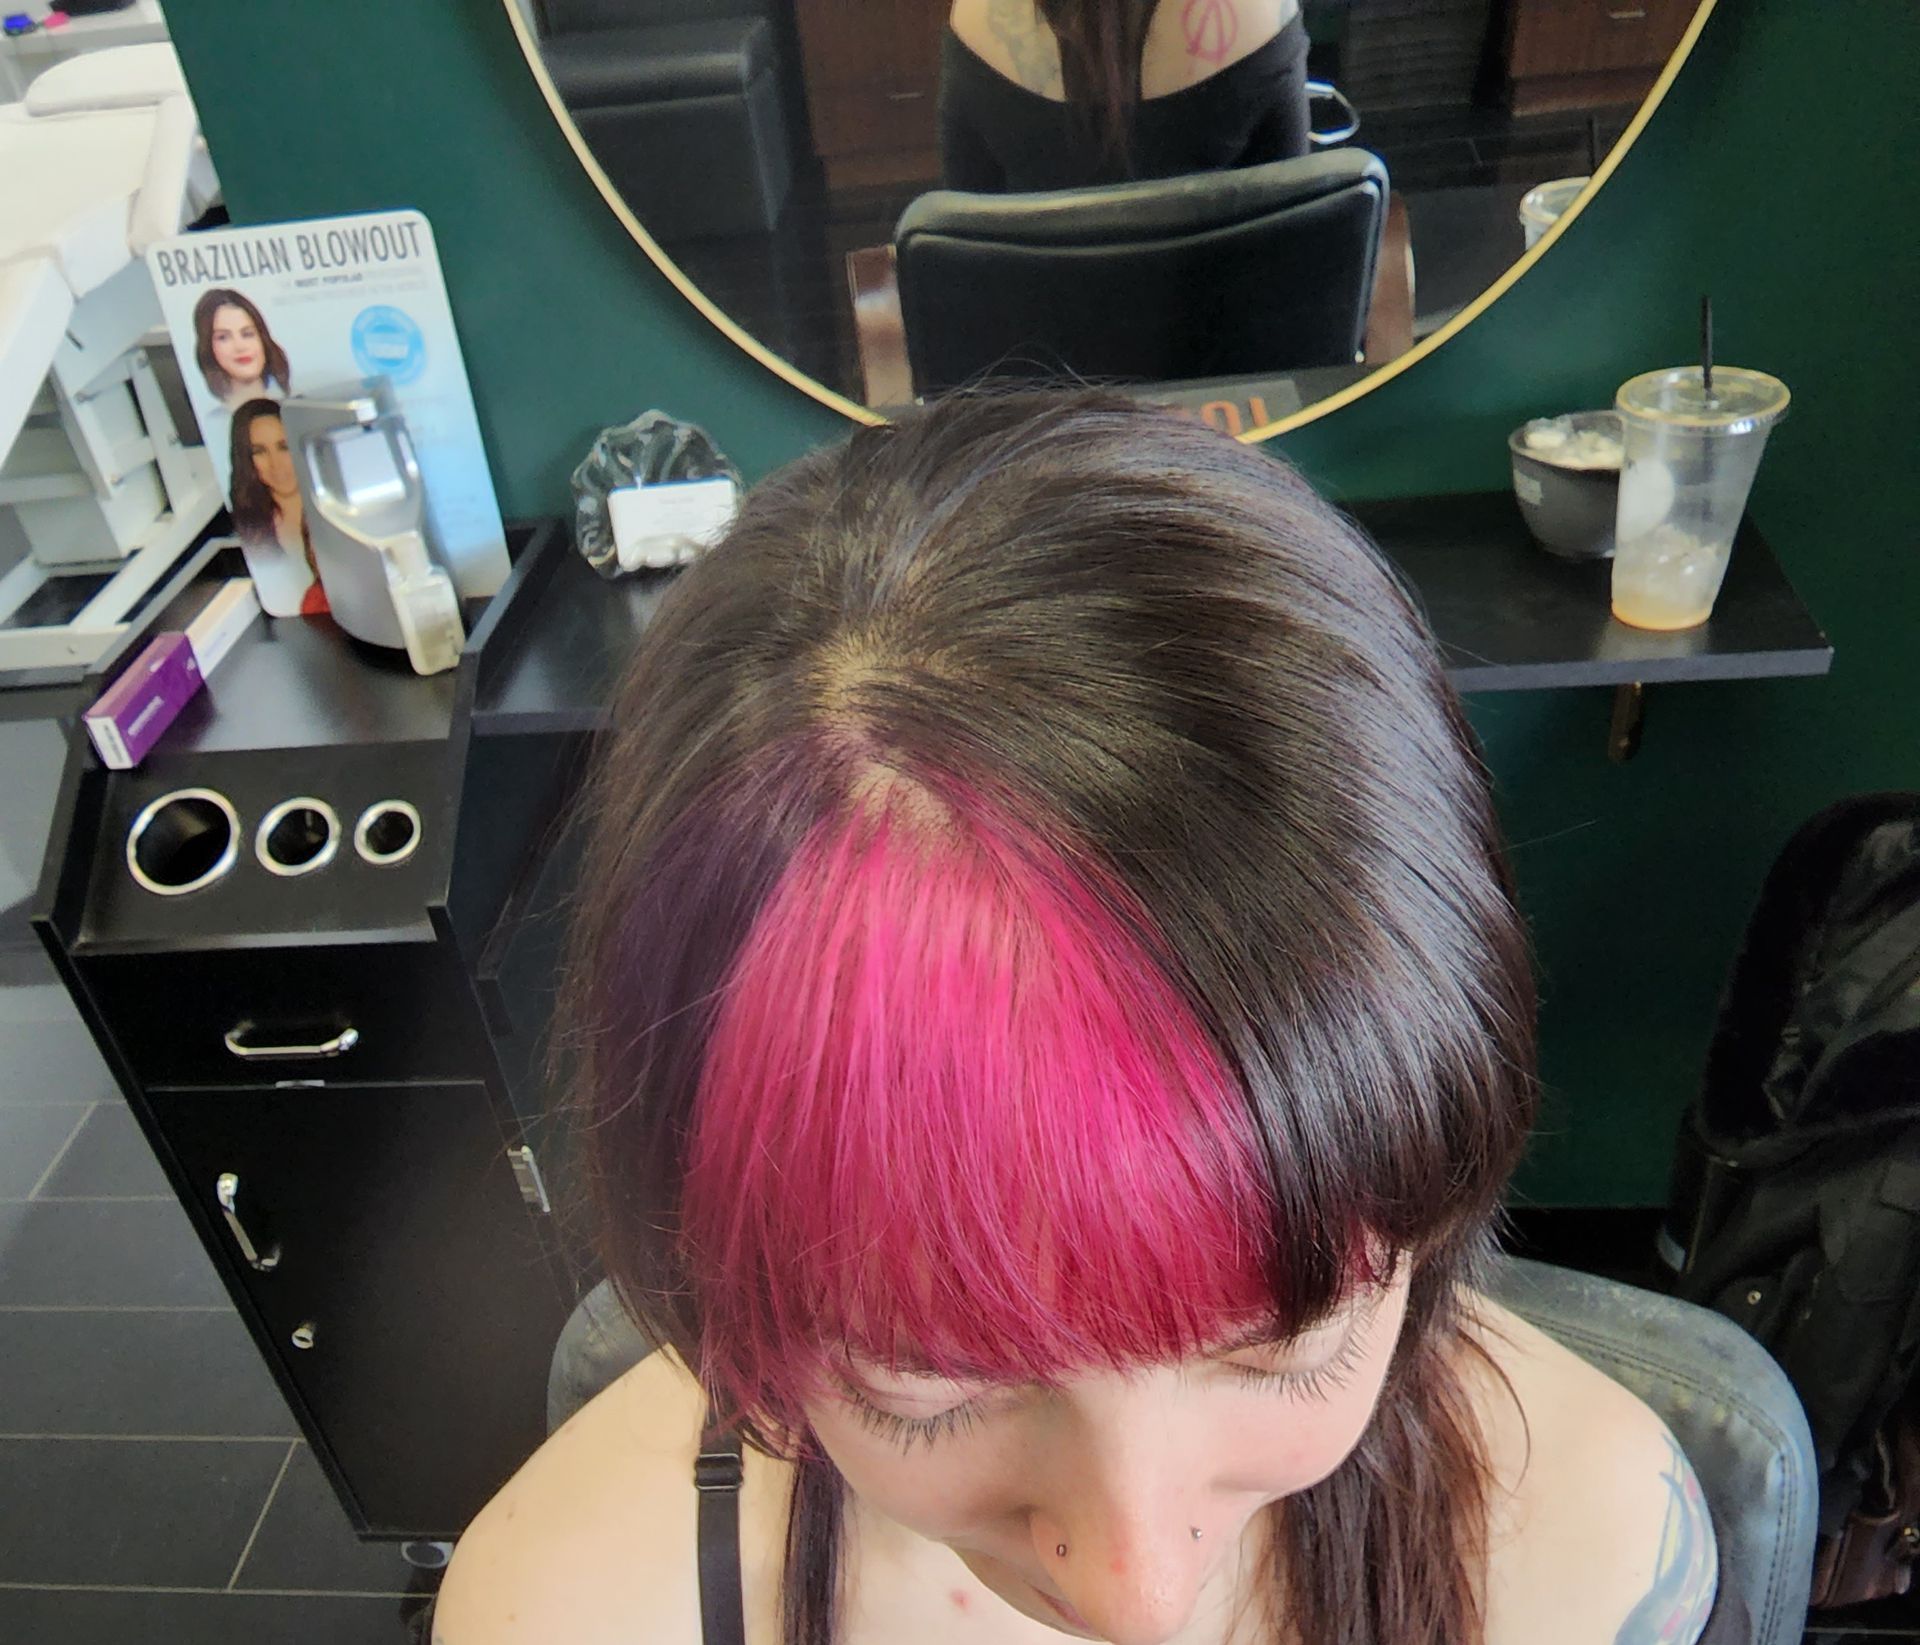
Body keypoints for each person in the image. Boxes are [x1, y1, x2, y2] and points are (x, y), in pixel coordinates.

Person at [434, 392, 1743, 1645]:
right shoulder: (562, 1612)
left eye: (1287, 1349)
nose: (1141, 1589)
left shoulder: (1593, 1559)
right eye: (929, 1390)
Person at [940, 0, 1311, 192]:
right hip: (1217, 335)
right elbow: (1298, 246)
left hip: (1033, 335)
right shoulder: (1261, 12)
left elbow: (962, 258)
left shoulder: (978, 18)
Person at [228, 399, 327, 617]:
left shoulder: (333, 509)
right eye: (259, 451)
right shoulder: (246, 528)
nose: (276, 464)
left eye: (284, 447)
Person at [193, 287, 291, 410]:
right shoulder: (215, 421)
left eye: (247, 334)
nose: (240, 347)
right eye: (223, 337)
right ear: (207, 347)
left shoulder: (296, 409)